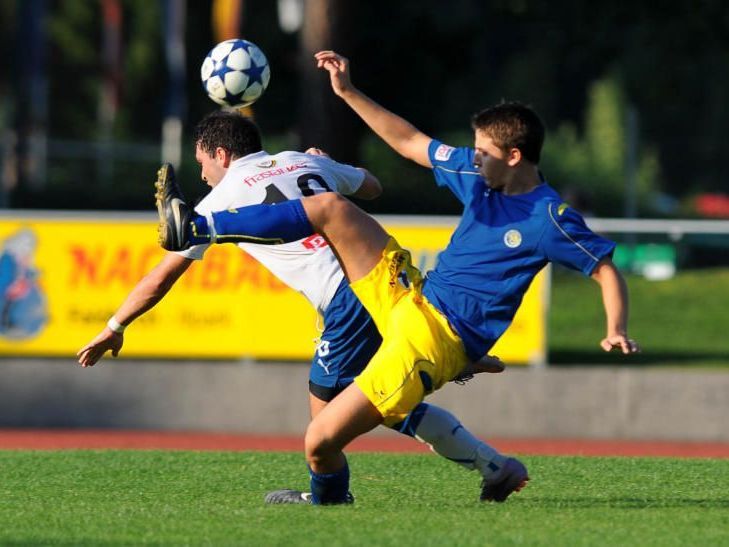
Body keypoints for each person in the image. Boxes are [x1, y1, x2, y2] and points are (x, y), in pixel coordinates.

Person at [157, 52, 641, 506]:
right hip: (409, 296)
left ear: (514, 157)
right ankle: (199, 226)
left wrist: (615, 328)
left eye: (483, 152)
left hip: (431, 339)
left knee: (319, 440)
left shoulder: (548, 217)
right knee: (332, 207)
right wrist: (347, 92)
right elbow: (410, 142)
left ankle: (330, 507)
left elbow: (604, 269)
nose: (472, 158)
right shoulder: (479, 175)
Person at [76, 110, 511, 505]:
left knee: (328, 423)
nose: (204, 175)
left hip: (347, 299)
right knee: (375, 399)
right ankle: (489, 458)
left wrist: (115, 325)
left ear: (222, 154)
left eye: (203, 163)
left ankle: (329, 501)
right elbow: (373, 186)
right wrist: (326, 162)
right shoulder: (304, 161)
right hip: (385, 281)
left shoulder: (218, 199)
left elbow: (161, 276)